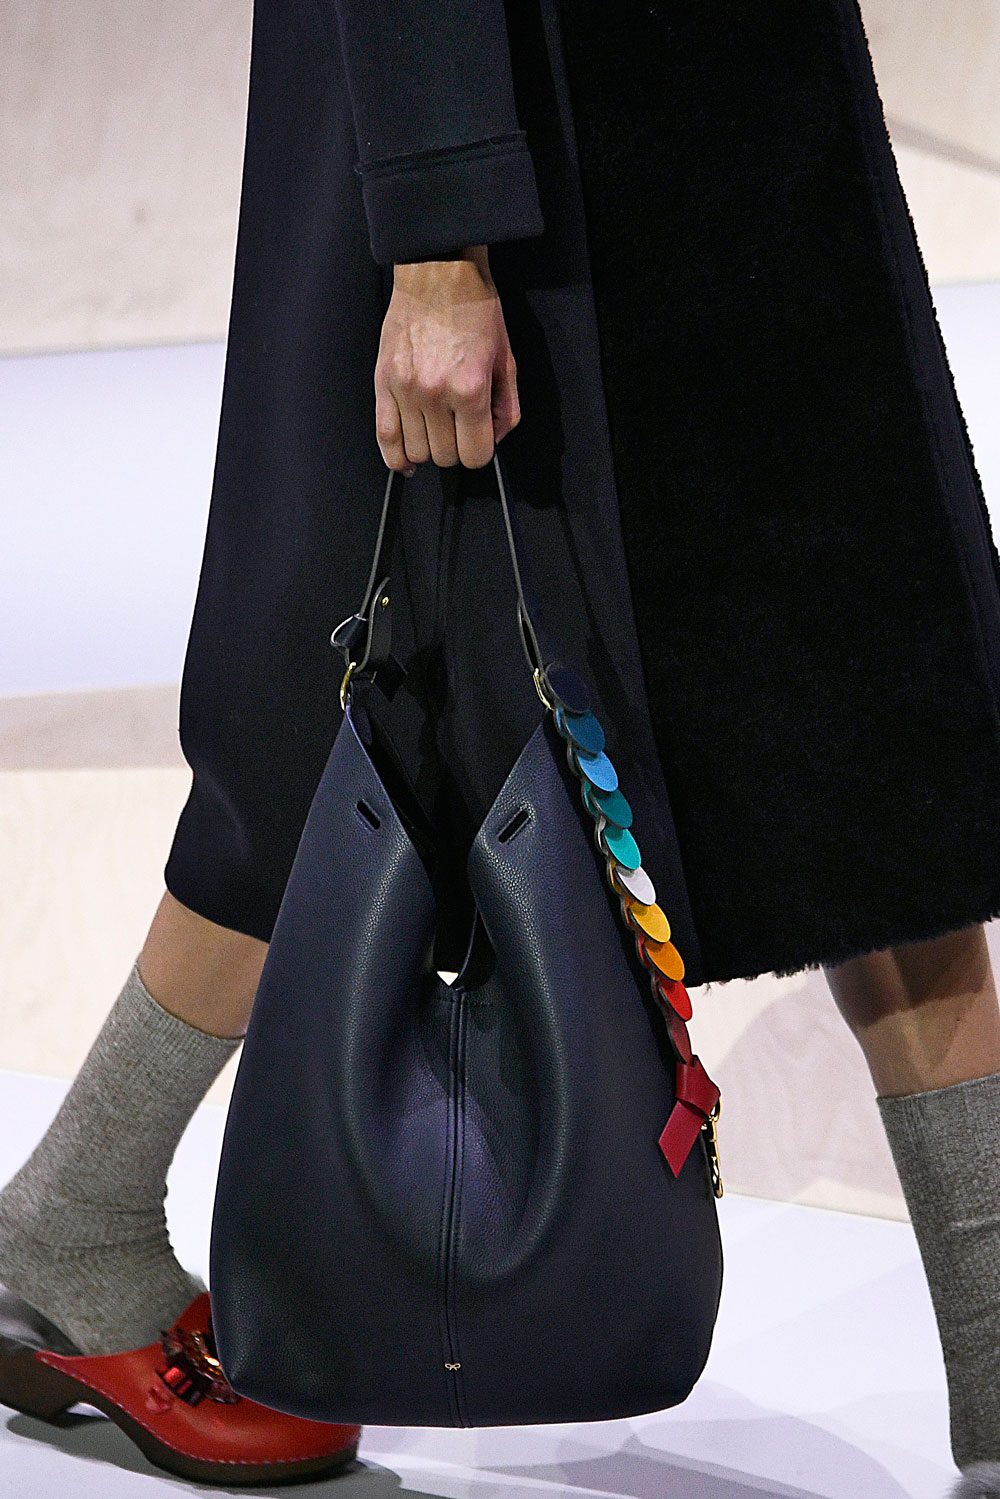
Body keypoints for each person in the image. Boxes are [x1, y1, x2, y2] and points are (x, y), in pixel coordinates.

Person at [1, 0, 1000, 1492]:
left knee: (878, 741)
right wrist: (437, 229)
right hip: (514, 147)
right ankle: (73, 1213)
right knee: (352, 734)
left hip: (731, 133)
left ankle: (998, 1365)